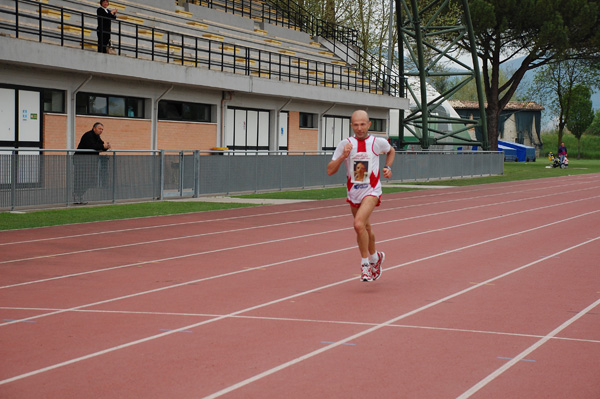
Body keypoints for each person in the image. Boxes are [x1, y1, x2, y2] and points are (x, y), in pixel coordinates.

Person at [327, 110, 395, 282]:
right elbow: (329, 170)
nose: (359, 128)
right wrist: (343, 155)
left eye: (362, 124)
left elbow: (391, 150)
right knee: (365, 228)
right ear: (352, 126)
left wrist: (388, 167)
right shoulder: (346, 144)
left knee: (358, 224)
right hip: (353, 192)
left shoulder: (377, 142)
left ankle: (365, 265)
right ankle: (375, 258)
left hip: (372, 190)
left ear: (369, 124)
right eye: (356, 125)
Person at [73, 122, 111, 204]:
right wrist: (102, 146)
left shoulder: (97, 136)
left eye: (102, 129)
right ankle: (77, 196)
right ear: (94, 128)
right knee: (81, 178)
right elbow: (93, 146)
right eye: (99, 129)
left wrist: (106, 147)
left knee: (91, 179)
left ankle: (80, 195)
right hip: (81, 160)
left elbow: (100, 146)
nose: (101, 131)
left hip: (90, 161)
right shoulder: (88, 135)